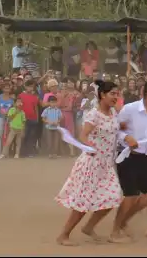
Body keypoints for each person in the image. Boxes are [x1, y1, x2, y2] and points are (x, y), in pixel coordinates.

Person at [55, 80, 124, 246]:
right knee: (82, 203)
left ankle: (89, 227)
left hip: (106, 164)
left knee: (113, 198)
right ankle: (63, 235)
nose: (116, 97)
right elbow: (83, 135)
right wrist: (89, 145)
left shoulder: (114, 113)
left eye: (117, 94)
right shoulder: (94, 114)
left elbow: (116, 133)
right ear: (102, 95)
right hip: (91, 163)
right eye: (112, 94)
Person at [111, 80, 147, 242]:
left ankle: (123, 221)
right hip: (127, 155)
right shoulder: (130, 109)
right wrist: (126, 137)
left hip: (145, 156)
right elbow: (116, 129)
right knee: (130, 196)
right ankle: (115, 231)